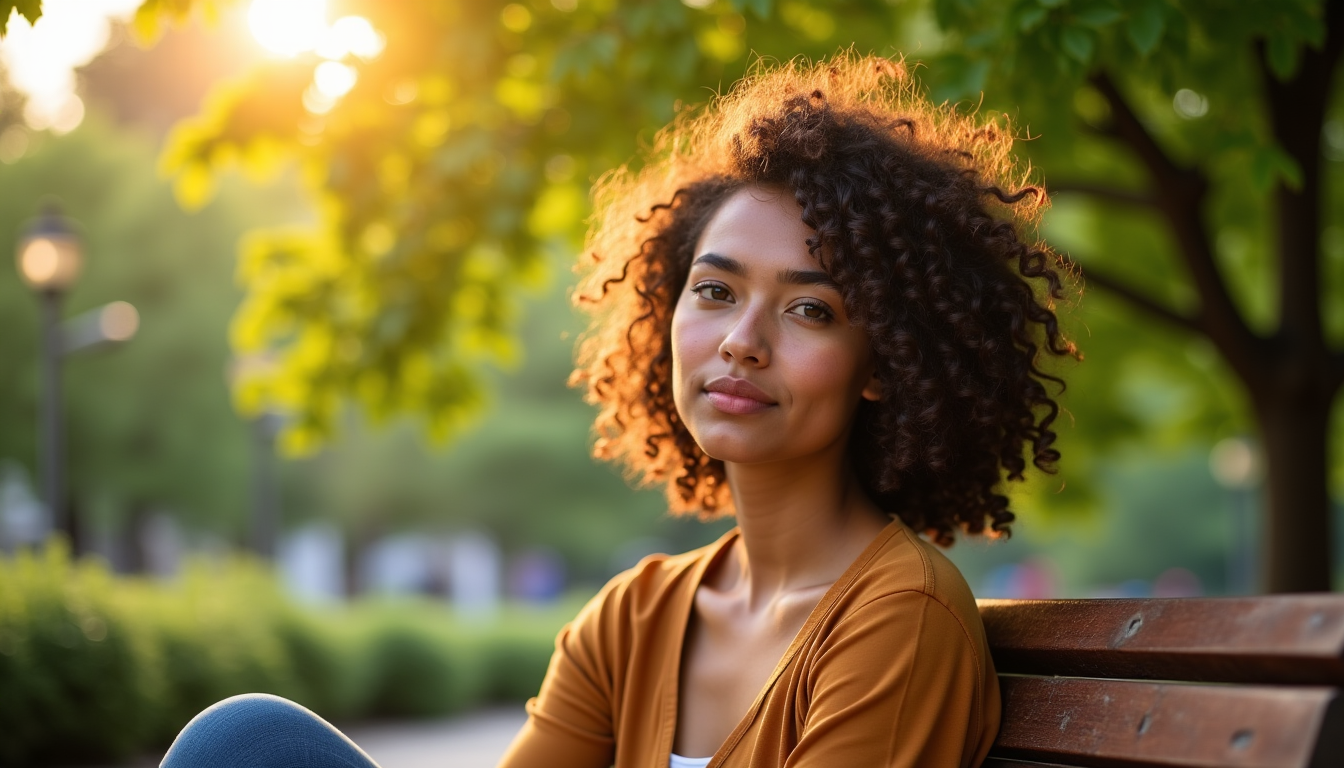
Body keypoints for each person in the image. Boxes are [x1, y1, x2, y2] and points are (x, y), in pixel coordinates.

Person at [160, 54, 1076, 768]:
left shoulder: (899, 620)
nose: (741, 341)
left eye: (810, 309)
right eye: (715, 292)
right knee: (246, 743)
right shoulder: (637, 615)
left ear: (884, 361)